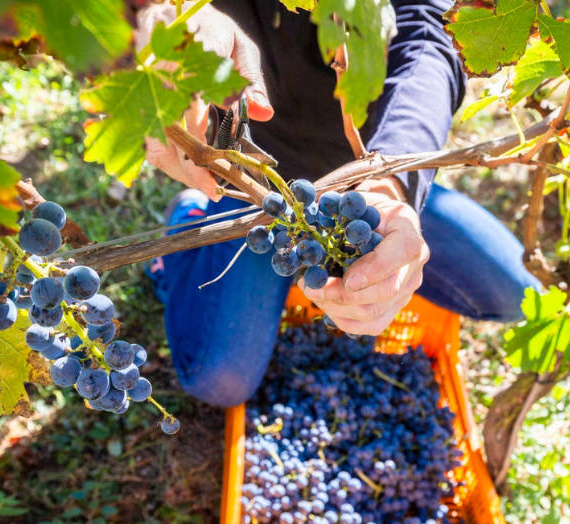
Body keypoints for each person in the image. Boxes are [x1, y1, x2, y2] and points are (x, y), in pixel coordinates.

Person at [137, 0, 541, 407]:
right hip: (258, 186)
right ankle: (189, 221)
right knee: (219, 381)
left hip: (365, 175)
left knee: (520, 297)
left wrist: (390, 184)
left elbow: (430, 30)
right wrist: (165, 12)